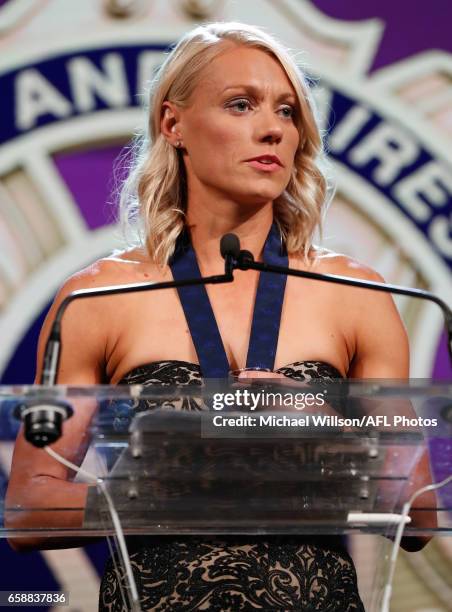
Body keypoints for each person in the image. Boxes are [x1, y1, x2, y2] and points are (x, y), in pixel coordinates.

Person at [6, 21, 435, 611]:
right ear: (173, 123)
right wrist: (158, 494)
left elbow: (419, 515)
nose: (273, 129)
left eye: (287, 111)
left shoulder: (352, 291)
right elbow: (29, 506)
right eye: (241, 105)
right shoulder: (97, 297)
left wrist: (330, 426)